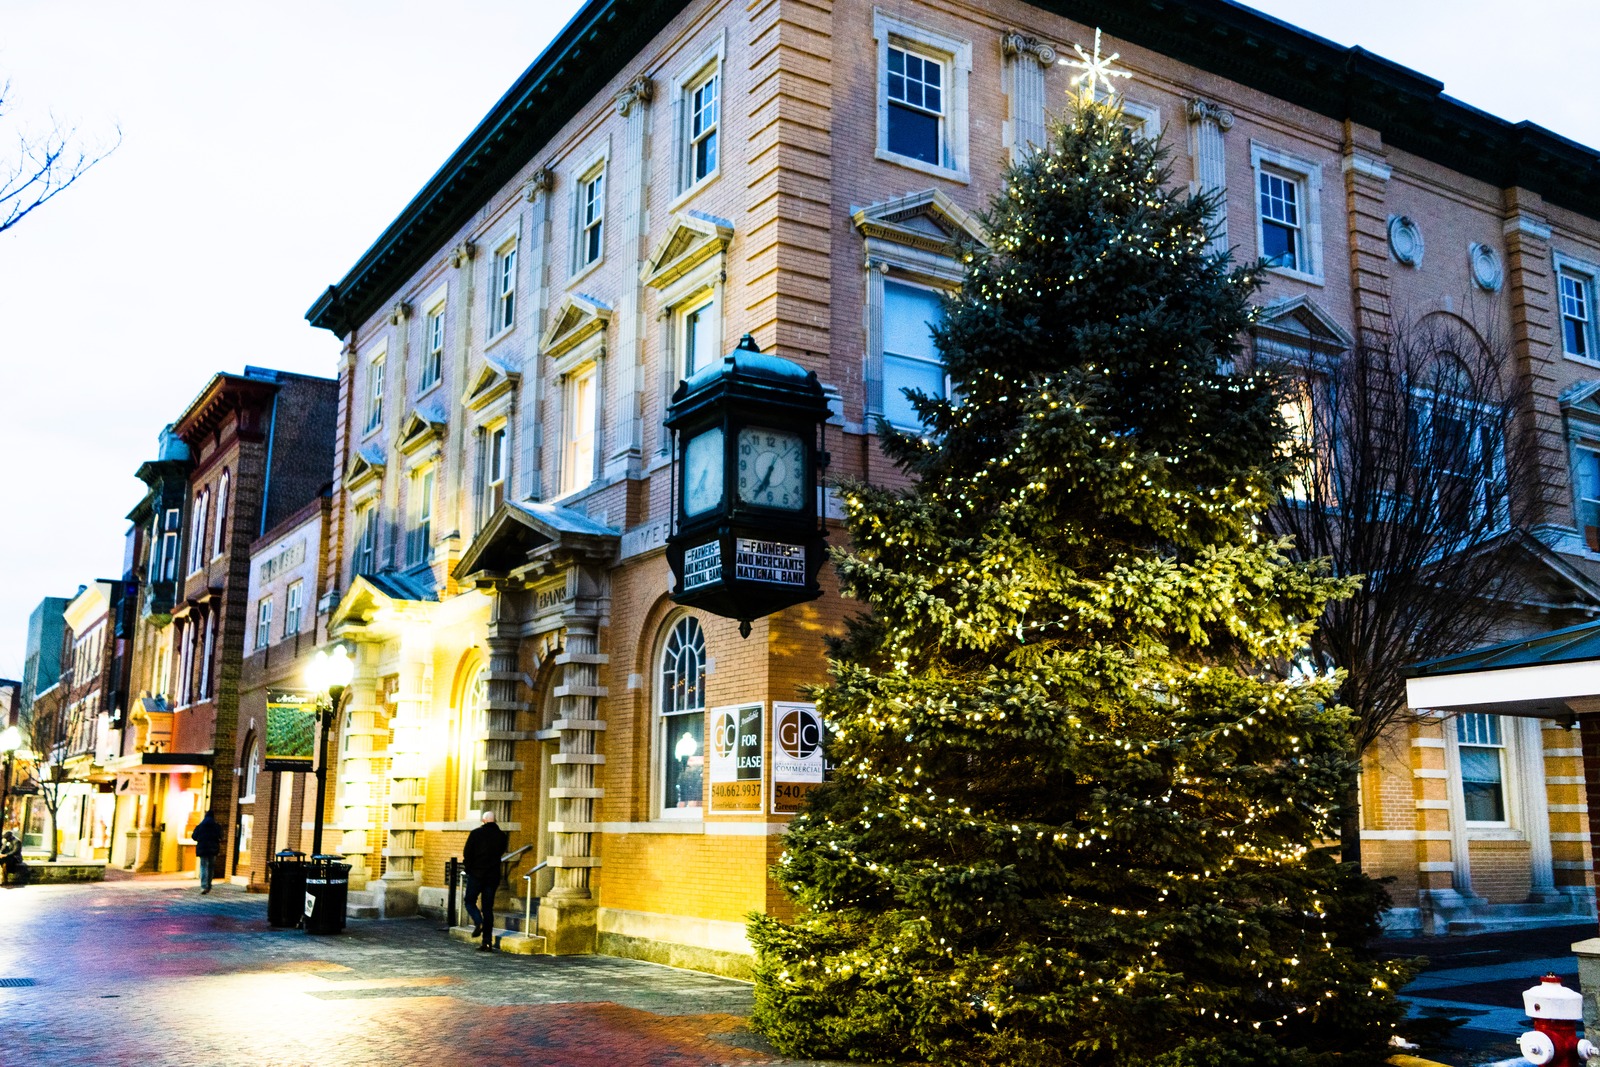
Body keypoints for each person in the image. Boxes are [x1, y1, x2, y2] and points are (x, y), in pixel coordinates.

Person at [461, 809, 508, 952]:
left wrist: (469, 868)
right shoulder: (502, 836)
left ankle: (478, 922)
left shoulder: (476, 834)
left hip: (477, 874)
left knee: (469, 901)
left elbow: (467, 853)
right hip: (492, 876)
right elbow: (500, 852)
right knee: (488, 908)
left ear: (483, 821)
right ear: (495, 821)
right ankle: (487, 942)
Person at [191, 811, 223, 894]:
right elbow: (221, 836)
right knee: (211, 867)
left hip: (203, 849)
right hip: (213, 849)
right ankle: (209, 885)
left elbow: (194, 836)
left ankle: (204, 886)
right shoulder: (216, 827)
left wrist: (201, 839)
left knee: (203, 866)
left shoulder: (200, 826)